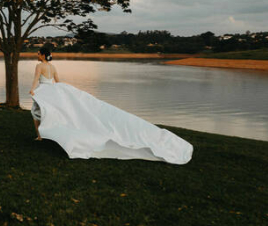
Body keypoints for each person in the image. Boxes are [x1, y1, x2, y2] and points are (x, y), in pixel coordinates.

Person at [28, 46, 193, 165]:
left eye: (38, 53)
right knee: (53, 112)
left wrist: (32, 90)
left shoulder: (39, 66)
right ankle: (43, 134)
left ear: (42, 55)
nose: (37, 55)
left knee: (37, 112)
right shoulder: (53, 66)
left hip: (45, 91)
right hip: (55, 90)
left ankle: (40, 136)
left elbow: (36, 79)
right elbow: (58, 82)